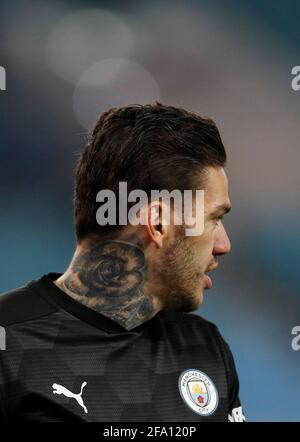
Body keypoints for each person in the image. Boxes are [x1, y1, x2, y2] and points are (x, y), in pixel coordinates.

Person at [0, 103, 245, 422]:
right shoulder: (9, 344)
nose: (224, 245)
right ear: (158, 224)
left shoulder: (205, 347)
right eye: (214, 219)